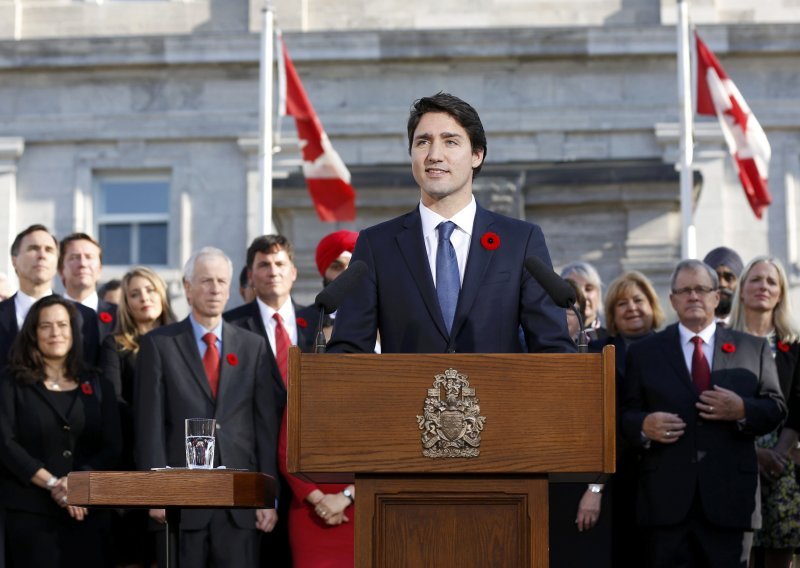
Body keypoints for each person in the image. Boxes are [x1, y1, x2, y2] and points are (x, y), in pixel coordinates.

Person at [328, 92, 574, 355]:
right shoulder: (378, 245)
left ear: (477, 155)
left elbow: (553, 348)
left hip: (497, 395)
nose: (435, 155)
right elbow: (347, 351)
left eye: (450, 142)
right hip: (407, 395)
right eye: (423, 142)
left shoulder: (520, 241)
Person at [621, 259, 786, 568]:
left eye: (700, 289)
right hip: (665, 504)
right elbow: (624, 415)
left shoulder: (752, 349)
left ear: (716, 297)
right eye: (684, 290)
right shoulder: (645, 352)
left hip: (730, 503)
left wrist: (741, 410)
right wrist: (644, 425)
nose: (693, 296)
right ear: (672, 300)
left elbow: (776, 408)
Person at [135, 247, 278, 568]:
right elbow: (149, 425)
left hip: (239, 504)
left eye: (222, 282)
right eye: (206, 281)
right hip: (179, 504)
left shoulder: (252, 346)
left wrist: (267, 494)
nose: (215, 289)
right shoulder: (159, 345)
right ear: (187, 288)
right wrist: (154, 492)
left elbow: (264, 428)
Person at [0, 295, 121, 567]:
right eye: (46, 326)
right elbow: (5, 443)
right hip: (31, 517)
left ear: (73, 331)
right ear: (33, 333)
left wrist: (77, 482)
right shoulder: (11, 383)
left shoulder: (98, 383)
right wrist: (56, 484)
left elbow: (113, 446)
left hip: (90, 515)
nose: (56, 332)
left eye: (63, 325)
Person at [224, 235, 317, 566]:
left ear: (293, 272)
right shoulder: (230, 326)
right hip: (255, 464)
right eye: (263, 264)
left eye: (280, 264)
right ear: (251, 274)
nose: (272, 271)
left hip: (310, 470)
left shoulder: (320, 324)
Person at [273, 231, 361, 568]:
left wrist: (348, 496)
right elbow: (286, 449)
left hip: (365, 505)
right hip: (309, 509)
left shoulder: (381, 384)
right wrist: (318, 497)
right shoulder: (307, 374)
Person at [99, 267, 175, 567]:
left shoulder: (182, 338)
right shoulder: (115, 346)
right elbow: (113, 401)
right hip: (132, 459)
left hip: (178, 457)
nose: (144, 298)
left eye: (150, 290)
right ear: (126, 303)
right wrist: (153, 422)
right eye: (135, 293)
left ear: (162, 293)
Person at [728, 257, 800, 568]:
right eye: (756, 279)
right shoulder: (723, 341)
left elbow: (798, 403)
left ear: (781, 292)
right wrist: (754, 453)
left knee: (780, 544)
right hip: (734, 455)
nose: (764, 287)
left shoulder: (794, 346)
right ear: (741, 290)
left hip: (783, 462)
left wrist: (779, 453)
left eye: (772, 281)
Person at [0, 225, 100, 370]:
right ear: (14, 261)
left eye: (49, 250)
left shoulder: (83, 317)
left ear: (57, 262)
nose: (42, 255)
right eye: (33, 248)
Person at [58, 233, 117, 341]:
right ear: (61, 270)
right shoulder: (45, 313)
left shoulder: (119, 316)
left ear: (100, 269)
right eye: (74, 257)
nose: (83, 264)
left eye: (89, 257)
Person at [560, 261, 608, 341]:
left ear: (599, 293)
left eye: (588, 289)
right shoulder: (552, 339)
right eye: (574, 289)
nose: (583, 296)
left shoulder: (612, 342)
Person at [703, 246, 744, 326]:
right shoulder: (691, 330)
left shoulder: (750, 330)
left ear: (740, 284)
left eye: (729, 278)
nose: (722, 284)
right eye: (715, 278)